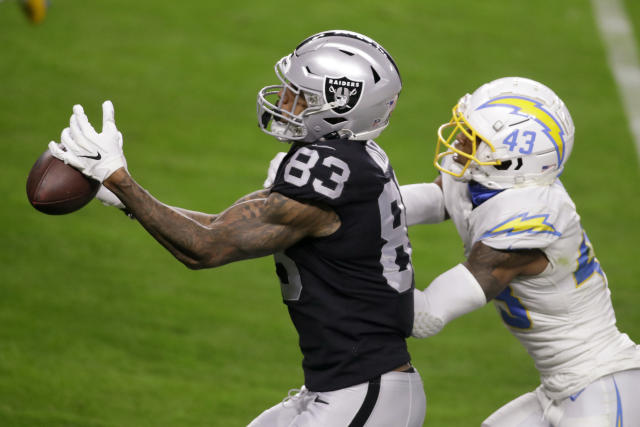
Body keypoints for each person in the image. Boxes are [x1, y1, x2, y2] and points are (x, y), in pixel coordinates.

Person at [47, 30, 426, 427]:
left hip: (364, 394)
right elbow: (220, 224)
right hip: (343, 389)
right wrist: (123, 196)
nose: (284, 101)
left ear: (339, 106)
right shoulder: (349, 160)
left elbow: (206, 248)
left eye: (299, 95)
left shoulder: (330, 171)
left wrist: (118, 177)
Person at [402, 76, 640, 426]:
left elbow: (424, 316)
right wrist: (343, 201)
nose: (460, 140)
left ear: (511, 160)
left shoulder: (528, 218)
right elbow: (434, 200)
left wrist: (347, 265)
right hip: (562, 386)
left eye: (474, 137)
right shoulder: (490, 182)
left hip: (601, 383)